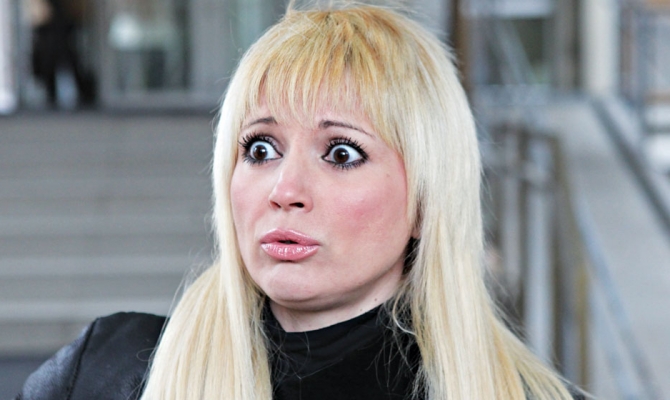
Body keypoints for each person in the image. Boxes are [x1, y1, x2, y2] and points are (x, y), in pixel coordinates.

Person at [16, 3, 585, 400]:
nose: (284, 191)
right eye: (260, 148)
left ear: (425, 200)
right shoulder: (106, 373)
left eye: (341, 153)